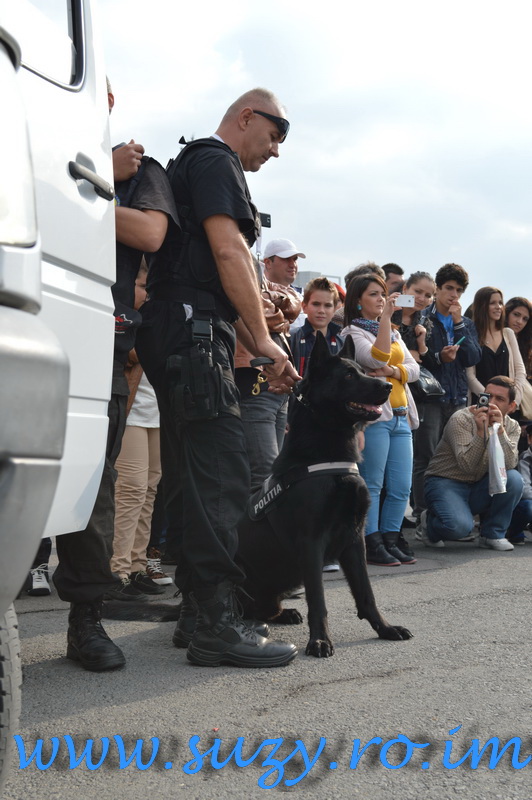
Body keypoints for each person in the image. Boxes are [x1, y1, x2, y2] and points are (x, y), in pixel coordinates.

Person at [136, 88, 299, 668]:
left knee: (192, 474)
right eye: (275, 135)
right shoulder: (215, 160)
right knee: (222, 477)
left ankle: (196, 612)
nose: (275, 150)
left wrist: (254, 327)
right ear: (246, 116)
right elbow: (229, 251)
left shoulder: (199, 162)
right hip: (194, 333)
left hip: (183, 329)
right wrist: (264, 342)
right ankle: (217, 625)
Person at [51, 83, 179, 671]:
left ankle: (86, 617)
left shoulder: (137, 166)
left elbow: (150, 234)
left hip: (100, 341)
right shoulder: (36, 150)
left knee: (94, 483)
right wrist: (97, 175)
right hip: (29, 322)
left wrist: (91, 180)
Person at [342, 274, 420, 566]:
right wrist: (386, 319)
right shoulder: (352, 332)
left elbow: (414, 369)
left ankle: (390, 538)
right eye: (373, 294)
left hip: (401, 418)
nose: (381, 299)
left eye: (382, 294)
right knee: (372, 484)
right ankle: (370, 541)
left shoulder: (396, 333)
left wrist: (393, 372)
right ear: (357, 301)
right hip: (375, 419)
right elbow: (376, 358)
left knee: (401, 487)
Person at [107, 263, 168, 600]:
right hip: (130, 412)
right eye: (144, 286)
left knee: (149, 490)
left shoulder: (156, 318)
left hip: (156, 414)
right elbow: (131, 354)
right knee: (130, 489)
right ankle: (116, 571)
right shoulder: (124, 318)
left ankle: (136, 565)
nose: (148, 293)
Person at [411, 263, 481, 524]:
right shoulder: (422, 318)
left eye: (459, 290)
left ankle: (447, 514)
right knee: (426, 457)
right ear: (438, 288)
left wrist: (459, 323)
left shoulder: (465, 323)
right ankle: (422, 514)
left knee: (456, 459)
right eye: (449, 288)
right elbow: (418, 357)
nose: (454, 295)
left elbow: (473, 357)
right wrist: (440, 356)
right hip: (429, 397)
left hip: (457, 398)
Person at [419, 376, 524, 551]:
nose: (492, 402)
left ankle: (493, 534)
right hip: (446, 481)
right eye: (488, 396)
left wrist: (500, 432)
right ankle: (429, 523)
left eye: (500, 399)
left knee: (514, 479)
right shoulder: (462, 418)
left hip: (478, 484)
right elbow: (466, 465)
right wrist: (481, 432)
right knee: (458, 527)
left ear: (511, 406)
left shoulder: (512, 426)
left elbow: (509, 465)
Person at [235, 265, 301, 490]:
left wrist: (266, 297)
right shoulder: (234, 264)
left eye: (294, 259)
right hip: (254, 385)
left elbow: (295, 304)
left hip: (279, 389)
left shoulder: (256, 268)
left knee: (275, 475)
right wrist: (268, 302)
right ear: (271, 261)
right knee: (265, 475)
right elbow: (253, 311)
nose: (291, 264)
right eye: (285, 259)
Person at [466, 286, 526, 407]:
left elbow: (520, 370)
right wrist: (489, 399)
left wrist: (515, 400)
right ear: (482, 305)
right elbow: (470, 376)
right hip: (480, 403)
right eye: (492, 303)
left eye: (500, 303)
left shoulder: (508, 333)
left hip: (506, 406)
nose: (498, 307)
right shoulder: (471, 334)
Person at [507, 422, 532, 544]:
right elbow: (526, 491)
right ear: (529, 439)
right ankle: (514, 531)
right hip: (522, 503)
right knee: (528, 507)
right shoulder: (525, 459)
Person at [505, 297, 532, 378]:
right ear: (506, 313)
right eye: (516, 315)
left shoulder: (526, 345)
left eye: (525, 319)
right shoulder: (493, 337)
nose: (520, 322)